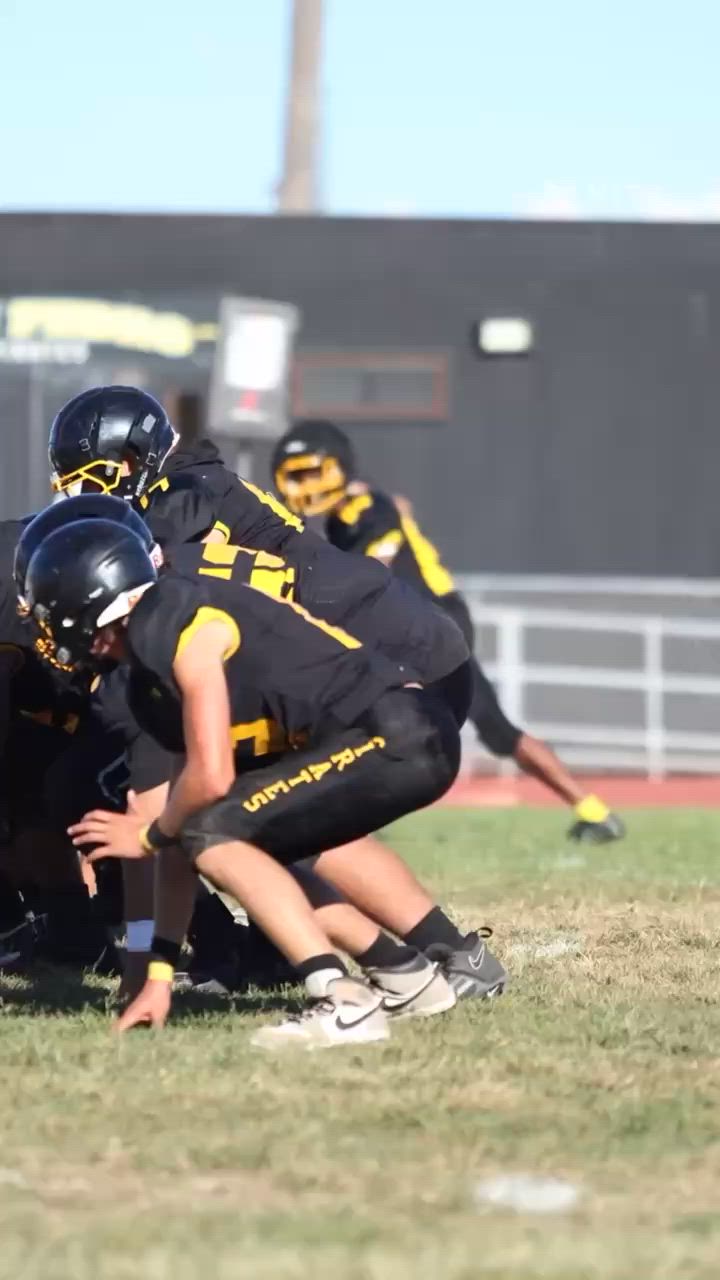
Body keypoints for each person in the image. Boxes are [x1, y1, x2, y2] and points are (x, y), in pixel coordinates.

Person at [25, 519, 507, 1047]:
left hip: (396, 733)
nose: (45, 628)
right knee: (227, 841)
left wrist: (148, 835)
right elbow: (184, 842)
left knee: (212, 831)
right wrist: (158, 975)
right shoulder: (145, 680)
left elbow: (210, 778)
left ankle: (343, 1001)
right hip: (387, 735)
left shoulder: (170, 622)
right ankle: (404, 976)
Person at [272, 419, 626, 845]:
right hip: (407, 625)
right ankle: (594, 811)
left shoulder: (370, 510)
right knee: (481, 728)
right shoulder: (345, 519)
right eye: (296, 476)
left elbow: (368, 576)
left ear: (340, 466)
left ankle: (349, 823)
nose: (305, 485)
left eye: (313, 472)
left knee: (382, 714)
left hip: (435, 623)